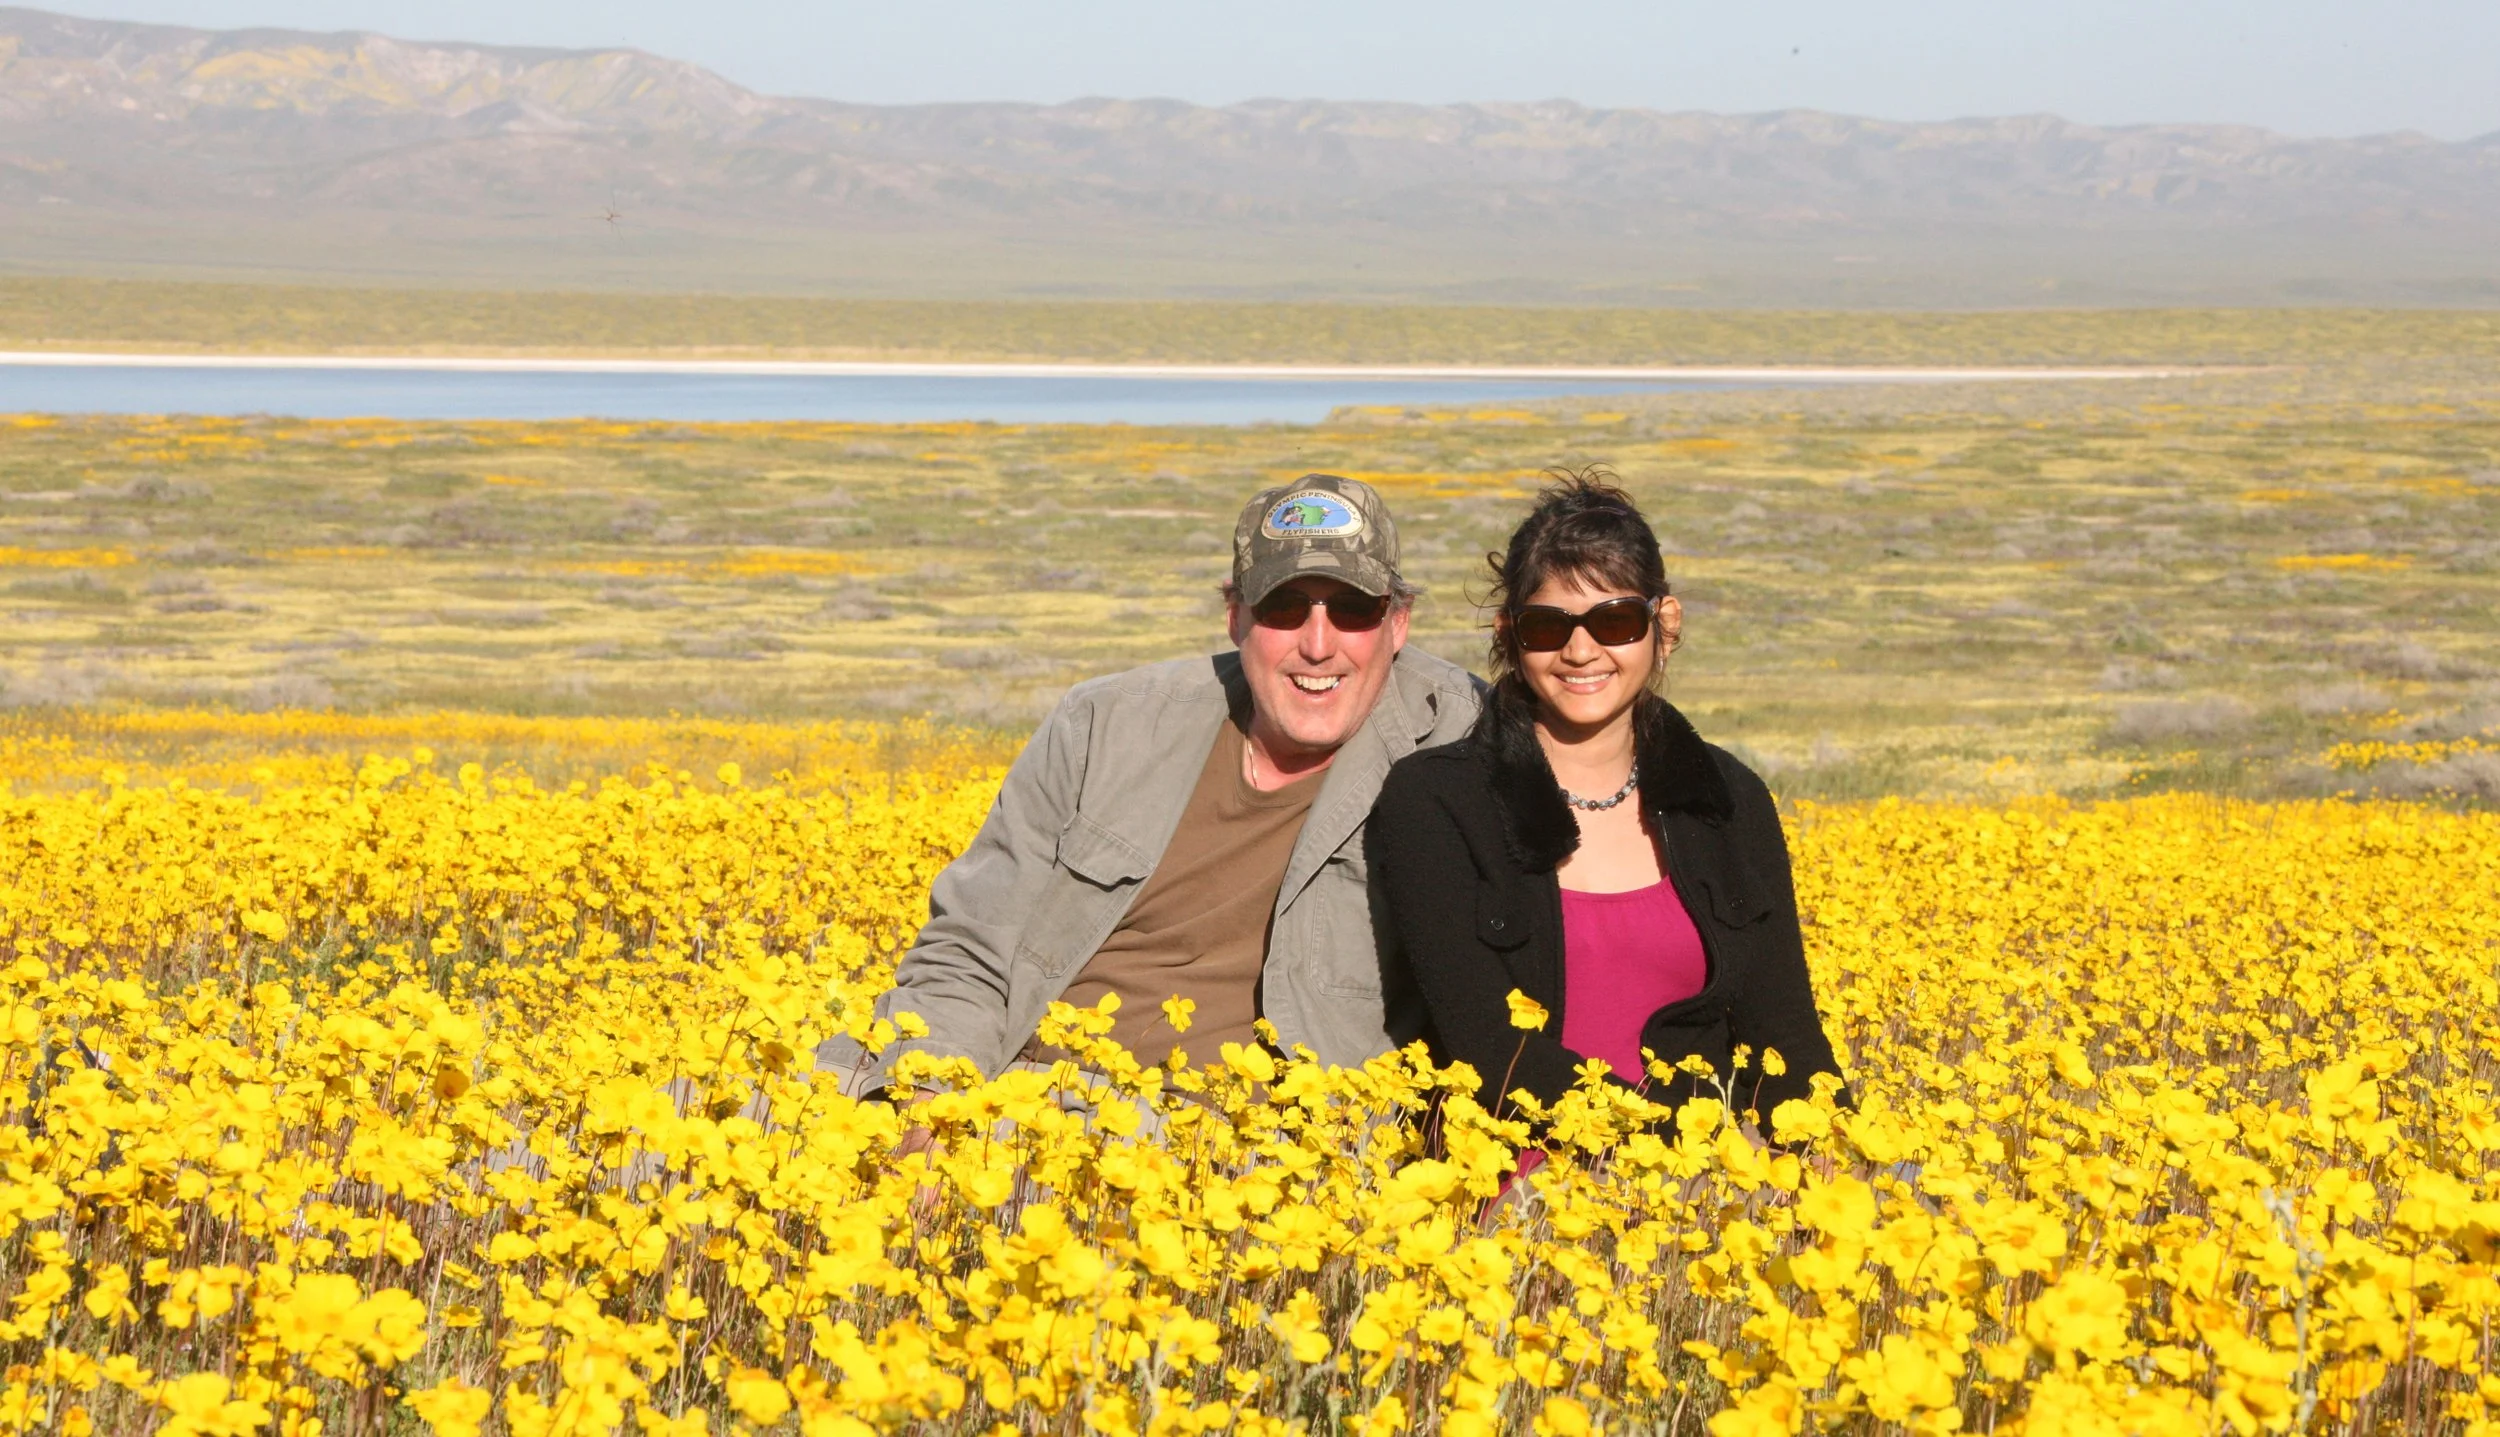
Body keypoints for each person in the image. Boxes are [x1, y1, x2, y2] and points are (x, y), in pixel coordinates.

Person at [818, 474, 1482, 1094]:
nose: (1317, 643)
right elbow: (971, 947)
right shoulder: (1106, 724)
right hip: (998, 1092)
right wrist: (932, 1102)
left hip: (1209, 1140)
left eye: (1352, 610)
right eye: (1283, 607)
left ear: (1398, 623)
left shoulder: (1462, 738)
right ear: (1236, 616)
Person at [1368, 472, 1845, 1125]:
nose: (1581, 650)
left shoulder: (1729, 801)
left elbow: (1786, 1039)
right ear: (1509, 634)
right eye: (1547, 626)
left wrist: (1842, 1161)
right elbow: (1490, 1051)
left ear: (1664, 624)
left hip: (1702, 1203)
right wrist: (1661, 1147)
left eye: (1615, 620)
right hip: (1512, 1189)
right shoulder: (1437, 802)